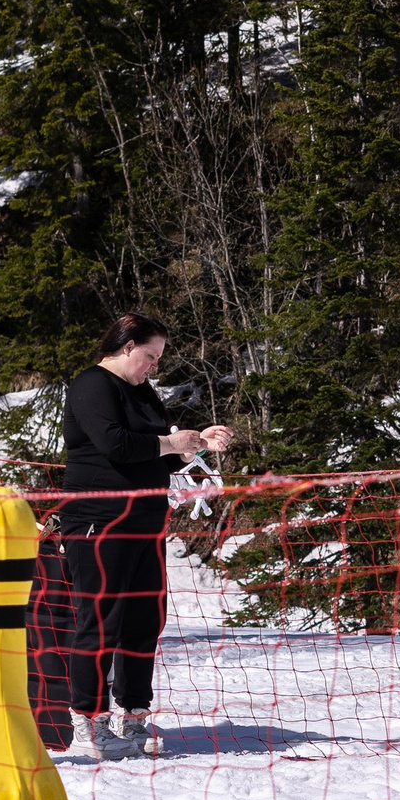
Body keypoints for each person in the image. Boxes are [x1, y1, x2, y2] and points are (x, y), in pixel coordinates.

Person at [57, 314, 231, 762]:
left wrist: (196, 443)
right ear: (127, 346)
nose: (153, 365)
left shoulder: (144, 393)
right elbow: (116, 445)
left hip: (146, 521)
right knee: (100, 620)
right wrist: (173, 444)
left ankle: (132, 715)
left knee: (143, 620)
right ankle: (88, 724)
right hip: (99, 520)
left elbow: (160, 456)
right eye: (150, 355)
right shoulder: (93, 385)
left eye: (158, 358)